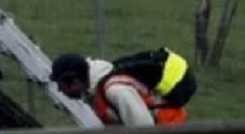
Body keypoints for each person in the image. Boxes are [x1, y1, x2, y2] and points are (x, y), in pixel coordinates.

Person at [49, 49, 193, 127]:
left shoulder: (115, 90)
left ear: (75, 81)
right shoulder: (97, 89)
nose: (60, 91)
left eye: (61, 86)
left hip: (169, 133)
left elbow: (144, 129)